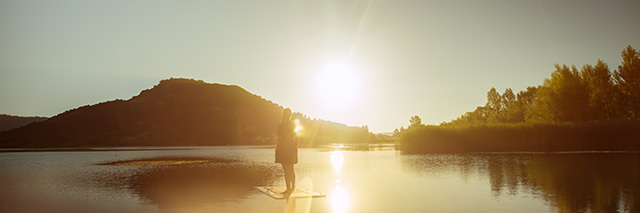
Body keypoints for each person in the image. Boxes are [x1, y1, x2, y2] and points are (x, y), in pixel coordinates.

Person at [275, 108, 298, 194]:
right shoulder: (283, 125)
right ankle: (291, 188)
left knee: (288, 169)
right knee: (289, 169)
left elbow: (296, 136)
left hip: (288, 147)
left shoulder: (285, 125)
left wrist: (296, 146)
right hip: (287, 147)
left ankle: (290, 188)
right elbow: (280, 138)